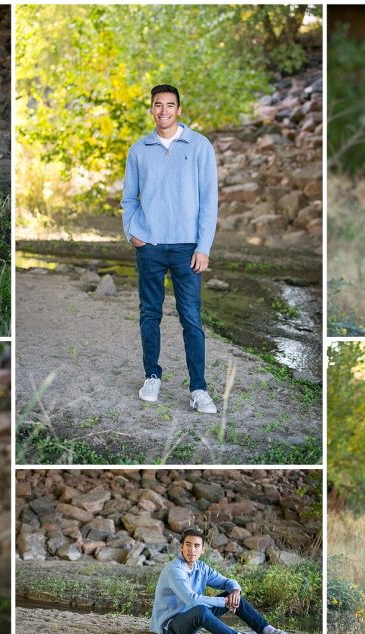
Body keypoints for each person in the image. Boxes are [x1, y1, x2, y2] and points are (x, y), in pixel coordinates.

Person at [121, 84, 218, 414]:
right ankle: (152, 376)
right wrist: (133, 233)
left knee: (191, 318)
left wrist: (203, 247)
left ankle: (199, 389)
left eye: (170, 105)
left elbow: (209, 202)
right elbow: (129, 198)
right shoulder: (139, 149)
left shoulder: (200, 146)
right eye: (157, 105)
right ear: (151, 110)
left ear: (179, 110)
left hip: (187, 248)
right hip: (149, 246)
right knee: (150, 313)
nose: (163, 110)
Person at [149, 527, 302, 634]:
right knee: (202, 609)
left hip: (192, 618)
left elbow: (227, 582)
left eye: (196, 546)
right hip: (171, 627)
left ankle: (271, 632)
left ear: (202, 550)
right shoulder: (175, 570)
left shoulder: (201, 567)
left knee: (234, 596)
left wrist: (235, 591)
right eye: (188, 545)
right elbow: (192, 600)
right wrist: (225, 602)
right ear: (182, 547)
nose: (192, 550)